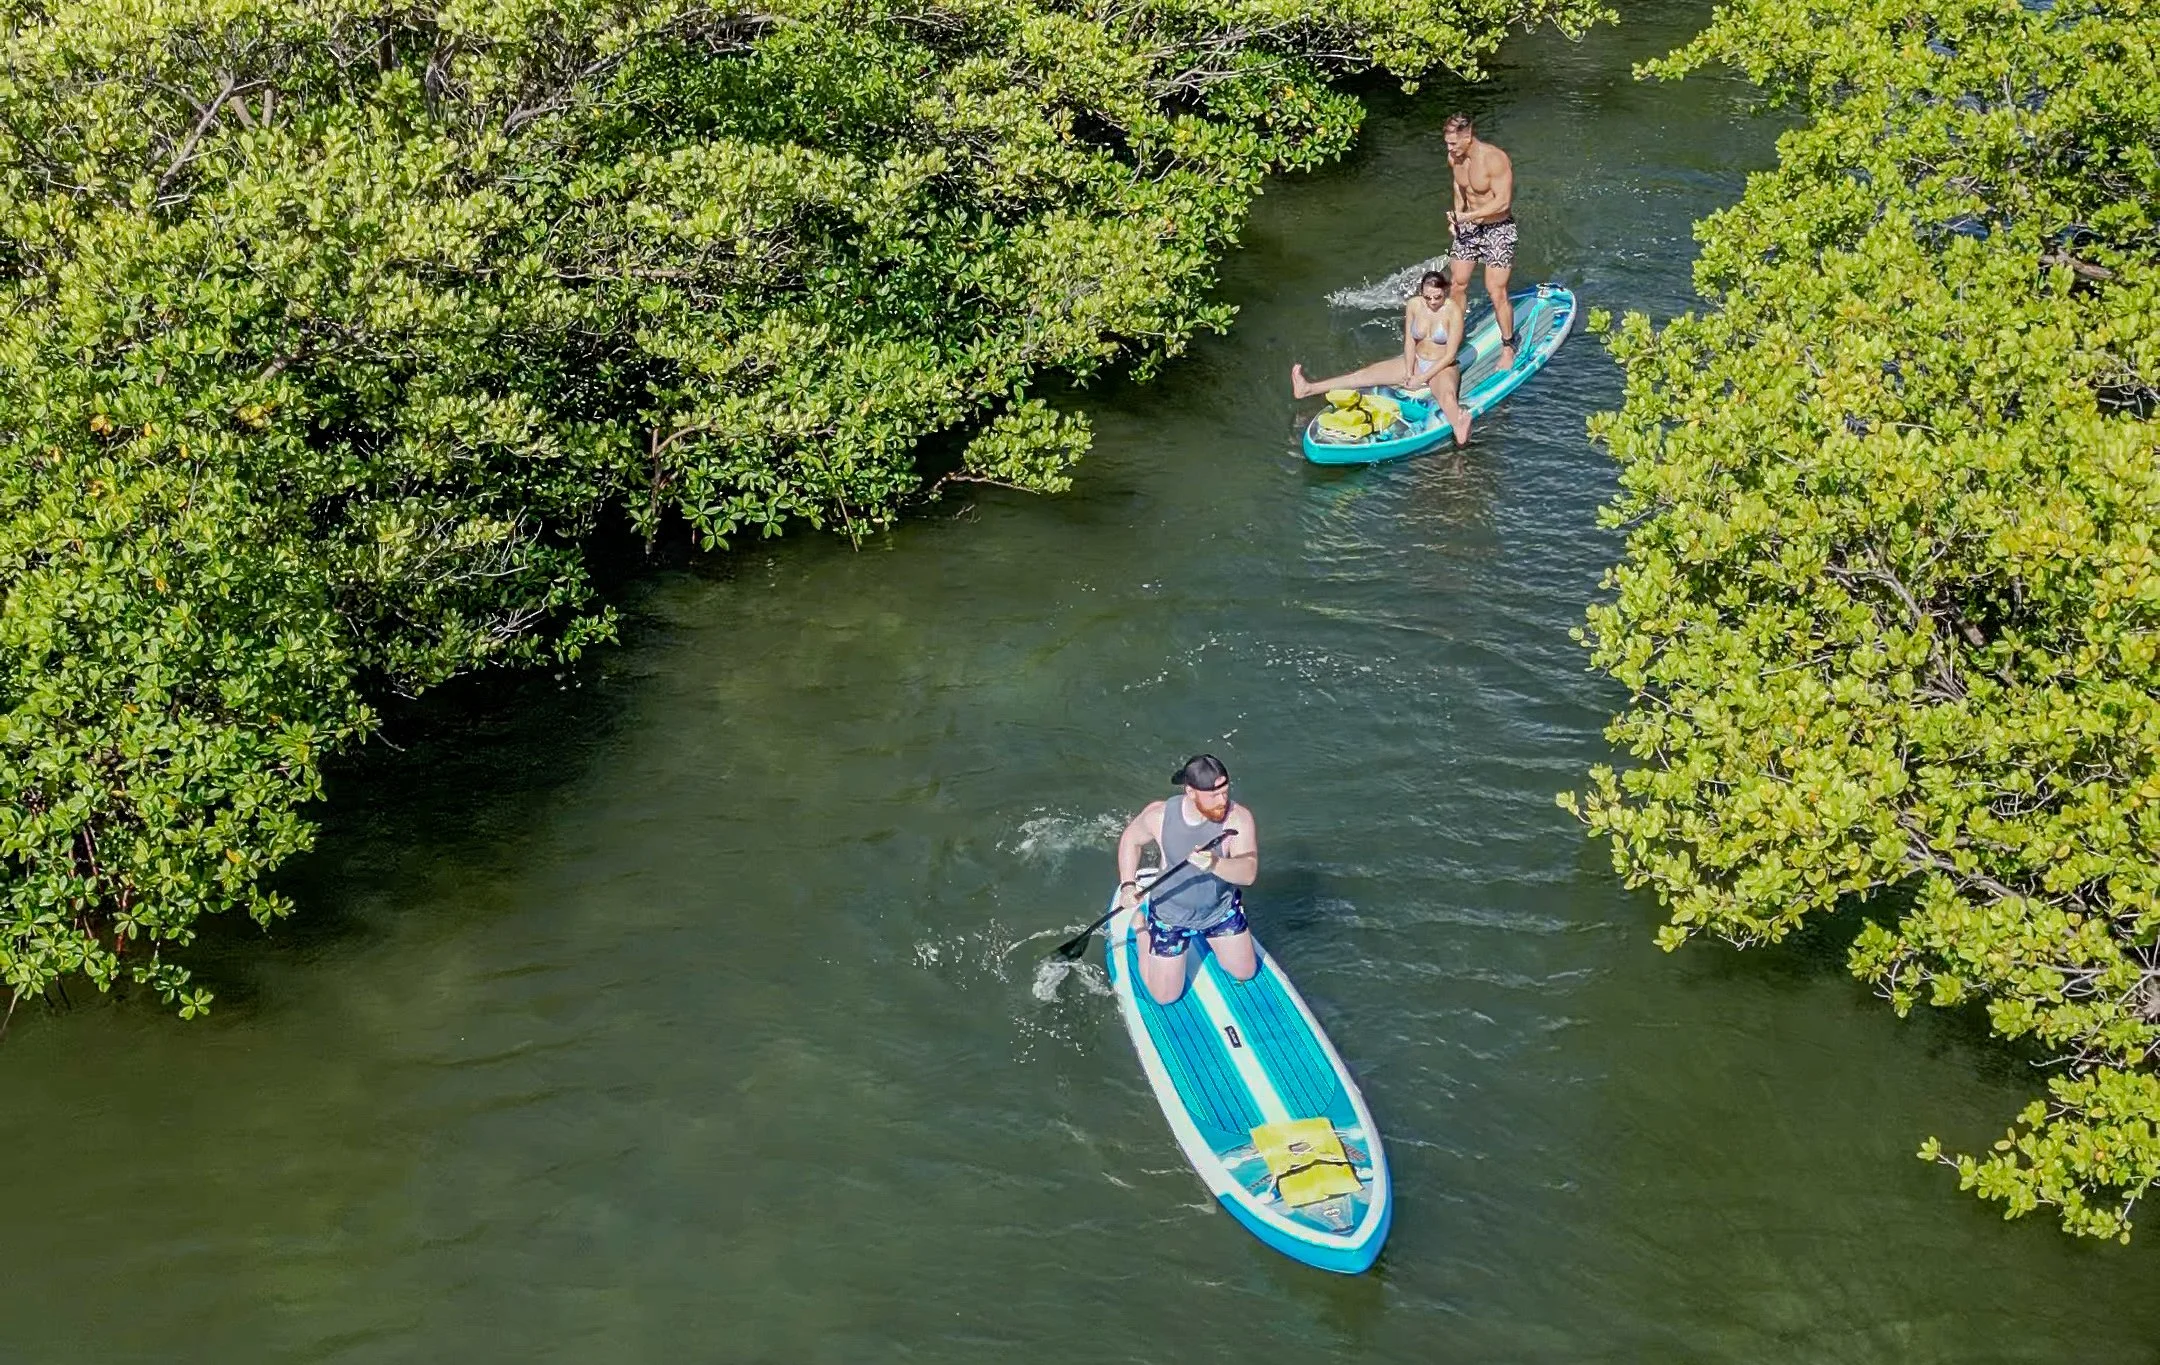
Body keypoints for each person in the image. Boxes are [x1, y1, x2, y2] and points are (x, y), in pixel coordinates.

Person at [1113, 754, 1262, 1006]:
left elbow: (1248, 873)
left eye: (1225, 791)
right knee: (1165, 998)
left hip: (1219, 911)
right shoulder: (1159, 815)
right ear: (1191, 792)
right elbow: (1130, 840)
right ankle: (1141, 928)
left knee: (1245, 973)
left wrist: (1215, 864)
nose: (1223, 801)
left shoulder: (1238, 818)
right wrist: (1128, 884)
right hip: (1171, 916)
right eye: (1214, 795)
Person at [1289, 271, 1473, 446]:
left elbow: (1450, 355)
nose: (1432, 302)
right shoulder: (1414, 305)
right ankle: (1307, 389)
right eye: (1428, 297)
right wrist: (1409, 372)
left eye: (1438, 297)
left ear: (1446, 292)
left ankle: (1460, 428)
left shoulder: (1453, 311)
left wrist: (1422, 379)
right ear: (1421, 293)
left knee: (1447, 397)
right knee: (1362, 375)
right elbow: (1410, 341)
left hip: (1442, 366)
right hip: (1416, 361)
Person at [1443, 112, 1518, 367]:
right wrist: (1457, 218)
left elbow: (1503, 201)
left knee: (1495, 290)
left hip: (1498, 228)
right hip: (1469, 226)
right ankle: (1455, 338)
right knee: (1457, 284)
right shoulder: (1455, 158)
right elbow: (1459, 189)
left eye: (1453, 143)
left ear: (1468, 135)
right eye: (1447, 143)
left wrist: (1469, 216)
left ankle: (1508, 345)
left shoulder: (1494, 159)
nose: (1449, 148)